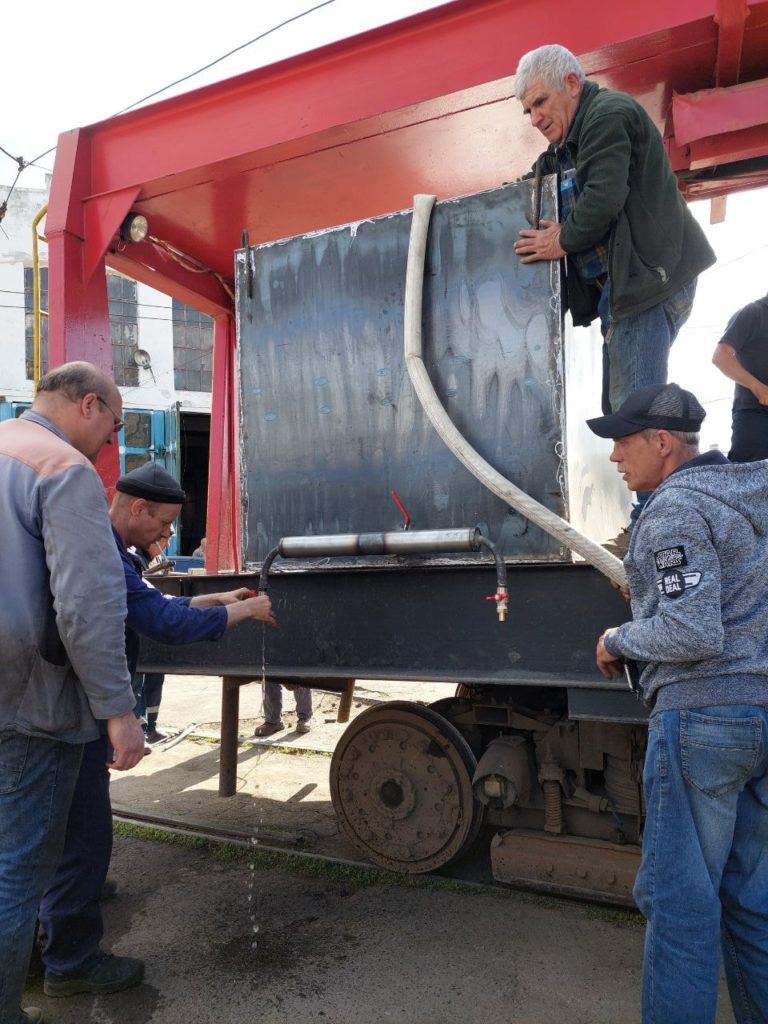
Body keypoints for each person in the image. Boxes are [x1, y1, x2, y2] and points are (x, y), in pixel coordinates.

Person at [37, 463, 277, 1000]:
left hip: (68, 705)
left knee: (70, 825)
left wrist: (216, 600)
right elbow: (162, 623)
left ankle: (64, 912)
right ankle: (69, 961)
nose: (167, 537)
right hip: (74, 706)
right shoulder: (104, 551)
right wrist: (249, 611)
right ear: (137, 509)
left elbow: (152, 604)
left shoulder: (113, 551)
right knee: (84, 831)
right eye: (164, 525)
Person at [589, 382, 768, 1024]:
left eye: (622, 441)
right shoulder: (751, 499)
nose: (614, 458)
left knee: (681, 910)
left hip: (703, 718)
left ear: (662, 444)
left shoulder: (674, 510)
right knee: (753, 905)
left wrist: (618, 638)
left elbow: (692, 631)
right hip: (761, 714)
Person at [512, 44, 716, 549]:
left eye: (539, 102)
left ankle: (654, 530)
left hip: (645, 283)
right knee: (626, 407)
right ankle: (650, 522)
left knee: (637, 408)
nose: (534, 117)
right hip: (634, 288)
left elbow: (602, 199)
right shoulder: (579, 136)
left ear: (572, 84)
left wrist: (557, 239)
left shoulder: (606, 115)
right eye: (528, 110)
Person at [0, 361, 145, 1024]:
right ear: (90, 404)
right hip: (30, 704)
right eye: (112, 428)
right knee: (18, 870)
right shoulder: (63, 469)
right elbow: (87, 606)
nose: (108, 446)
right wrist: (119, 712)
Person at [712, 291, 768, 462]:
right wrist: (757, 387)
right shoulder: (753, 313)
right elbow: (721, 356)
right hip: (755, 414)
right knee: (747, 480)